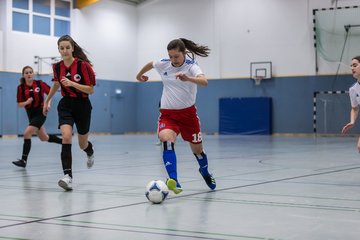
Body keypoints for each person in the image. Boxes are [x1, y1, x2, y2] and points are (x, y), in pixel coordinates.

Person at [136, 38, 216, 194]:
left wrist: (188, 78)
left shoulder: (191, 66)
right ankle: (174, 180)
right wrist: (139, 75)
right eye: (171, 56)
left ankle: (205, 172)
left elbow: (204, 81)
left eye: (176, 57)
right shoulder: (164, 63)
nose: (173, 60)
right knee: (166, 140)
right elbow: (151, 64)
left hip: (188, 116)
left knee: (197, 150)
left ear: (184, 53)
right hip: (168, 115)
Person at [43, 35, 95, 191]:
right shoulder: (57, 67)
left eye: (67, 47)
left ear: (72, 48)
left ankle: (89, 150)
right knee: (66, 136)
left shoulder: (83, 66)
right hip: (65, 104)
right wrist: (47, 100)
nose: (64, 50)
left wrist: (72, 83)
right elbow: (57, 83)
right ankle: (68, 176)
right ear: (58, 49)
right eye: (61, 48)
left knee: (82, 144)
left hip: (82, 106)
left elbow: (90, 89)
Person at [13, 66, 62, 168]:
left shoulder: (39, 84)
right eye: (26, 73)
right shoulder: (20, 88)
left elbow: (50, 93)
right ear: (23, 75)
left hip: (41, 112)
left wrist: (47, 104)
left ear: (33, 74)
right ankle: (64, 142)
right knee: (44, 138)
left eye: (30, 72)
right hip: (30, 114)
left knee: (27, 133)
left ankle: (23, 160)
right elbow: (19, 104)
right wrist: (27, 102)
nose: (29, 74)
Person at [342, 56, 360, 150]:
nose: (352, 68)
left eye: (355, 65)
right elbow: (355, 108)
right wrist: (352, 121)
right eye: (351, 66)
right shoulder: (353, 89)